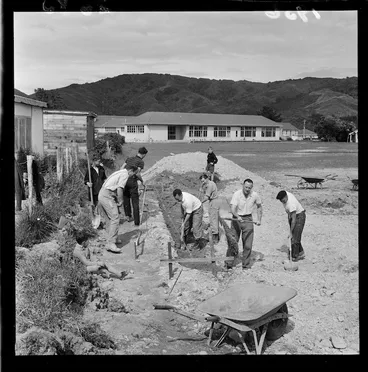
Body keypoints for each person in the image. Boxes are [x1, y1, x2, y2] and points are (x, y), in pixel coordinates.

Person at [98, 165, 138, 253]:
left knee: (110, 219)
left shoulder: (120, 171)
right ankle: (111, 243)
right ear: (131, 171)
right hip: (106, 195)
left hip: (103, 193)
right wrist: (121, 201)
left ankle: (113, 238)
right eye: (134, 173)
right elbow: (120, 189)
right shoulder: (125, 175)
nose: (133, 176)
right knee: (115, 218)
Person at [228, 179, 263, 269]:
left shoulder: (254, 195)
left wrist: (259, 219)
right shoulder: (237, 194)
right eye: (246, 187)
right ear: (243, 185)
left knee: (248, 244)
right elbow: (232, 208)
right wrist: (237, 216)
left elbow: (259, 207)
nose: (247, 189)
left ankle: (246, 265)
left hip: (248, 219)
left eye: (249, 188)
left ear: (252, 188)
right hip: (236, 218)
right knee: (233, 242)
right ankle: (228, 263)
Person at [276, 190, 306, 262]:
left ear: (286, 197)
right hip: (291, 215)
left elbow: (294, 220)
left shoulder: (291, 204)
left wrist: (291, 231)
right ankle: (300, 252)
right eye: (281, 201)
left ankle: (294, 257)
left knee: (294, 238)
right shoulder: (286, 194)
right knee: (295, 235)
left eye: (283, 200)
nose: (282, 202)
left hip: (299, 216)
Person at [121, 147, 148, 226]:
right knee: (135, 201)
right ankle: (136, 222)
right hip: (132, 181)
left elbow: (121, 168)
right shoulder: (140, 162)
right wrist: (142, 181)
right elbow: (137, 173)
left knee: (126, 199)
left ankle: (128, 216)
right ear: (143, 154)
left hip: (124, 180)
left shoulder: (129, 158)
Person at [199, 173, 221, 244]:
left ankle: (215, 238)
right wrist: (202, 186)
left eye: (203, 181)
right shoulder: (211, 183)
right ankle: (215, 235)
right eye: (201, 181)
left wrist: (199, 202)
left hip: (214, 202)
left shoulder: (210, 186)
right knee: (213, 218)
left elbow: (206, 197)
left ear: (206, 178)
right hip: (214, 201)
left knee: (213, 218)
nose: (203, 182)